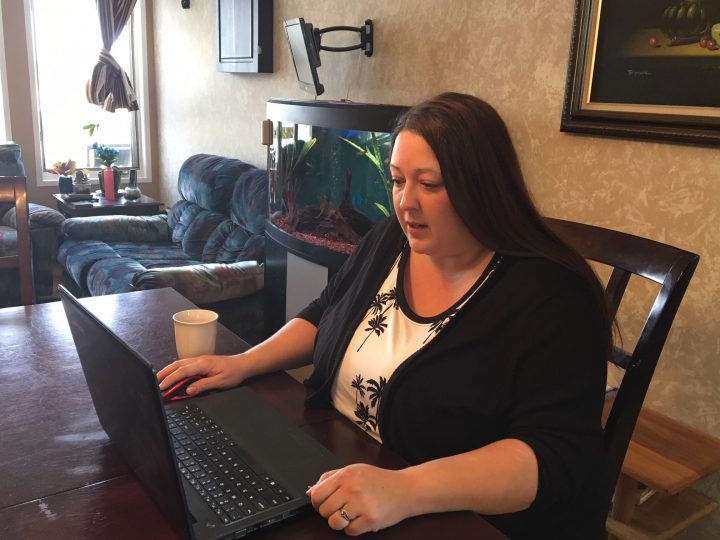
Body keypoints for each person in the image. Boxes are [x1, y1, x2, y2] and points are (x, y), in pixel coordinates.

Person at [158, 92, 612, 539]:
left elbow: (554, 456)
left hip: (449, 517)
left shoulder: (552, 296)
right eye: (397, 181)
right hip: (335, 471)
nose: (406, 202)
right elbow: (327, 309)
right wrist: (243, 362)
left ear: (484, 186)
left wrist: (405, 489)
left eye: (429, 185)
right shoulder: (393, 238)